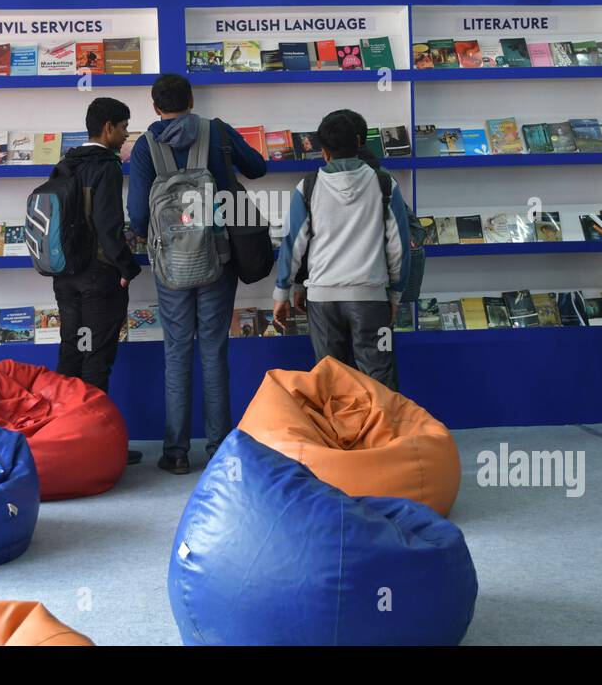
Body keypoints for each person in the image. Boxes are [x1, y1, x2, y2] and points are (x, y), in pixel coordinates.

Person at [128, 73, 266, 474]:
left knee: (176, 352)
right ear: (191, 100)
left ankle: (176, 453)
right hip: (218, 260)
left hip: (170, 265)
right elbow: (256, 168)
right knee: (214, 350)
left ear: (155, 107)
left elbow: (138, 213)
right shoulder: (217, 131)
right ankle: (220, 449)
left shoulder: (144, 145)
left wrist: (159, 238)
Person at [273, 110, 411, 389]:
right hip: (371, 298)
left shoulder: (307, 187)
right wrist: (395, 297)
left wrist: (282, 293)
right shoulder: (385, 184)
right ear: (359, 142)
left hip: (322, 298)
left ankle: (337, 433)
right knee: (379, 377)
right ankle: (381, 433)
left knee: (330, 381)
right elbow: (398, 247)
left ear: (324, 153)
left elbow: (293, 244)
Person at [54, 96, 143, 464]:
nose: (125, 137)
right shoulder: (105, 167)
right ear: (108, 128)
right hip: (97, 281)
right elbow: (108, 227)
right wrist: (128, 268)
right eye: (123, 128)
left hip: (65, 279)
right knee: (96, 361)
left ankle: (60, 445)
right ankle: (93, 452)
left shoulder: (65, 165)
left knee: (72, 355)